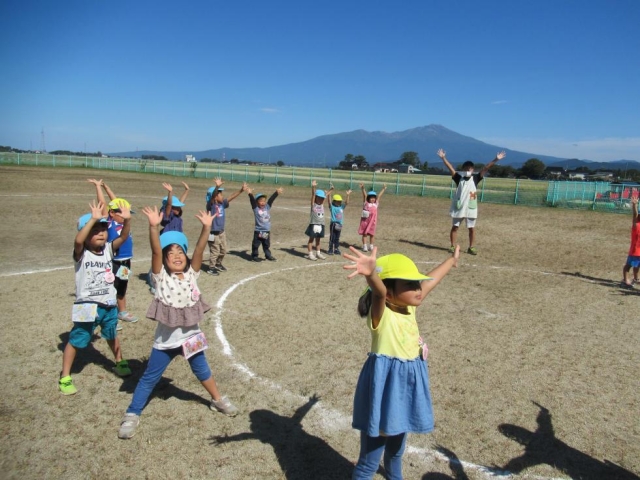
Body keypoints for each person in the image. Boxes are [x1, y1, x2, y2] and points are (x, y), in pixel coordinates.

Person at [117, 206, 238, 439]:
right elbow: (154, 252)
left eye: (180, 251)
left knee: (203, 370)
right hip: (166, 341)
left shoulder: (192, 273)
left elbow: (201, 249)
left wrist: (206, 228)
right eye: (170, 253)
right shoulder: (160, 277)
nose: (176, 255)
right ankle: (133, 413)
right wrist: (153, 226)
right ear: (163, 260)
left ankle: (217, 399)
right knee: (150, 377)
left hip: (191, 337)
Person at [343, 245, 460, 479]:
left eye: (417, 284)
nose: (418, 289)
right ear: (389, 291)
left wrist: (451, 260)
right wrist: (371, 274)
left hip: (404, 393)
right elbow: (378, 292)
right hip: (385, 393)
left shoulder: (409, 308)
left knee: (396, 453)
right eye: (410, 285)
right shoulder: (382, 315)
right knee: (369, 462)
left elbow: (431, 281)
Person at [59, 200, 133, 395]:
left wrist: (127, 221)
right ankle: (65, 376)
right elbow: (77, 241)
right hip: (87, 306)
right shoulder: (81, 253)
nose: (101, 232)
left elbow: (124, 236)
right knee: (77, 339)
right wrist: (92, 218)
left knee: (111, 334)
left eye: (103, 229)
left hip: (108, 305)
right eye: (95, 229)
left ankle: (119, 362)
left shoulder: (108, 250)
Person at [437, 148, 506, 255]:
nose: (468, 171)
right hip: (459, 207)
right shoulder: (458, 178)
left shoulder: (476, 178)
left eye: (470, 169)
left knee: (471, 228)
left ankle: (471, 247)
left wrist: (496, 159)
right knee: (455, 227)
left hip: (471, 207)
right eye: (466, 169)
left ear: (473, 170)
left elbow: (486, 168)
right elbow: (450, 167)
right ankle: (452, 246)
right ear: (463, 170)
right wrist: (443, 158)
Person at [90, 179, 139, 323]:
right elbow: (104, 204)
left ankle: (122, 312)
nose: (126, 215)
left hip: (125, 262)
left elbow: (116, 202)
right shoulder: (109, 223)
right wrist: (99, 187)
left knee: (122, 286)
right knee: (111, 288)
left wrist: (108, 187)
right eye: (122, 213)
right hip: (113, 262)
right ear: (112, 213)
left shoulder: (124, 222)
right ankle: (108, 316)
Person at [146, 182, 191, 294]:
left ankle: (171, 280)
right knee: (161, 262)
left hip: (176, 242)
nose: (178, 209)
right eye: (175, 207)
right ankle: (153, 282)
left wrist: (187, 190)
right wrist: (170, 192)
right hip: (167, 242)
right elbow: (169, 206)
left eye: (179, 207)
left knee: (172, 262)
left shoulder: (177, 216)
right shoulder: (167, 215)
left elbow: (180, 202)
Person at [205, 177, 246, 275]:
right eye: (220, 194)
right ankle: (211, 267)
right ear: (214, 197)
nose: (222, 196)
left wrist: (241, 190)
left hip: (221, 232)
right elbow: (213, 196)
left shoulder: (222, 204)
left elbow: (231, 197)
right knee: (215, 251)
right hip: (213, 234)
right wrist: (217, 186)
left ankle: (218, 264)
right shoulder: (211, 205)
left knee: (223, 250)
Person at [246, 186, 283, 262]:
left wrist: (276, 193)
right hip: (258, 231)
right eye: (260, 201)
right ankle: (254, 256)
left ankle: (268, 255)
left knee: (266, 244)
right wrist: (250, 194)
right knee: (256, 244)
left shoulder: (267, 208)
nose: (263, 202)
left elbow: (271, 200)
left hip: (266, 231)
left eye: (264, 201)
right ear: (257, 202)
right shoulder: (256, 209)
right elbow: (252, 201)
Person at [304, 180, 333, 261]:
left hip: (321, 225)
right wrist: (313, 187)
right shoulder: (313, 205)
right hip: (314, 224)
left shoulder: (322, 204)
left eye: (321, 198)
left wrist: (331, 189)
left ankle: (318, 253)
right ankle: (310, 254)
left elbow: (326, 195)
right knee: (311, 239)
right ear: (316, 198)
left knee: (318, 240)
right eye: (319, 198)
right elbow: (313, 195)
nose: (320, 200)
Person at [358, 183, 387, 252]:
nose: (373, 199)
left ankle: (371, 246)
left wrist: (383, 189)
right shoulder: (366, 203)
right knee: (364, 234)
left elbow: (379, 196)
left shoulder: (376, 204)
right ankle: (365, 246)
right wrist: (363, 188)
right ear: (368, 198)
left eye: (374, 198)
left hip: (373, 222)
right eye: (371, 198)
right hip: (365, 222)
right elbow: (364, 195)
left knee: (372, 234)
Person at [328, 186, 352, 255]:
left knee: (337, 237)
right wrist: (329, 193)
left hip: (339, 224)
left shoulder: (341, 207)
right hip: (333, 224)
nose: (339, 202)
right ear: (334, 201)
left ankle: (336, 248)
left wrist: (348, 195)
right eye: (338, 201)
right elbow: (329, 202)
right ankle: (330, 249)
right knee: (332, 237)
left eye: (340, 201)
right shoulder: (332, 207)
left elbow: (347, 203)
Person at [622, 196, 640, 287]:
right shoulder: (635, 225)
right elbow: (635, 214)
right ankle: (625, 280)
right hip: (634, 251)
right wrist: (634, 205)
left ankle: (636, 279)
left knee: (637, 266)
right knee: (628, 266)